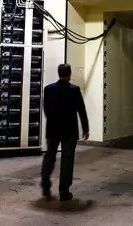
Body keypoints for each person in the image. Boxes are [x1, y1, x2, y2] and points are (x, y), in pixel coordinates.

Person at [41, 64, 89, 201]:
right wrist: (85, 129)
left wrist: (52, 121)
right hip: (70, 131)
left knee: (49, 157)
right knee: (67, 160)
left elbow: (46, 109)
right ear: (70, 74)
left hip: (52, 129)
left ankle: (45, 187)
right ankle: (64, 191)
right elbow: (81, 110)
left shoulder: (48, 89)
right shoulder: (74, 90)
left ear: (58, 73)